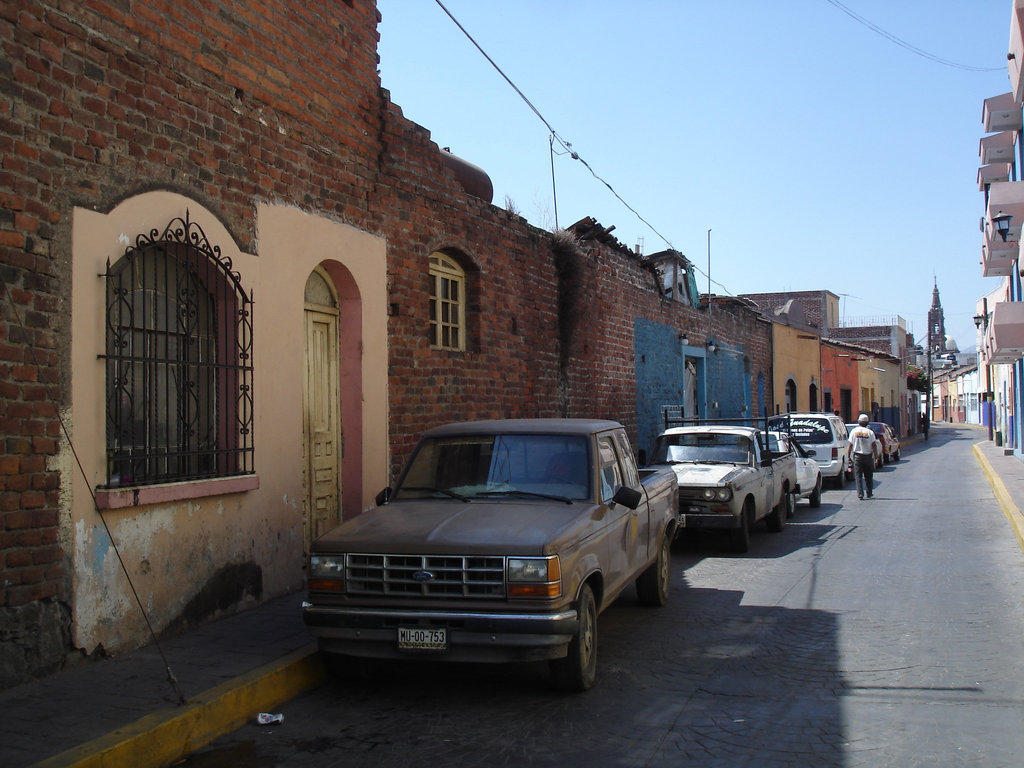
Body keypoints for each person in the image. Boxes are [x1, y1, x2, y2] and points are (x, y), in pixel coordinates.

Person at [846, 413, 880, 500]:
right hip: (868, 456)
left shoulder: (854, 431)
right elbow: (874, 445)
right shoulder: (870, 432)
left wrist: (848, 456)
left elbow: (850, 445)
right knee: (868, 476)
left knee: (858, 476)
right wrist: (876, 457)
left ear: (858, 422)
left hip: (857, 456)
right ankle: (869, 493)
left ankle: (860, 494)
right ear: (867, 423)